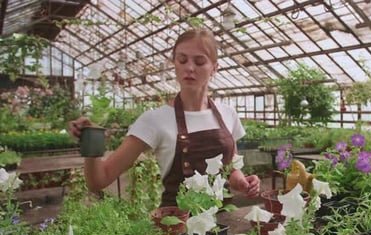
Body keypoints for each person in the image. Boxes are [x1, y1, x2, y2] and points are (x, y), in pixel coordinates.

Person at [68, 28, 260, 207]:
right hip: (174, 229)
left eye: (199, 61)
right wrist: (91, 141)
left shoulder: (228, 114)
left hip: (222, 229)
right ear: (174, 63)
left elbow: (232, 167)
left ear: (214, 67)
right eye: (182, 60)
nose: (189, 68)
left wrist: (242, 182)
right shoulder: (154, 120)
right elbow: (99, 180)